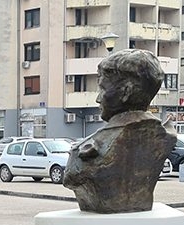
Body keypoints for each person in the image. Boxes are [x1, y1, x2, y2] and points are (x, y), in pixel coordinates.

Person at [63, 49, 176, 214]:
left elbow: (71, 177)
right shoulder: (165, 134)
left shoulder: (86, 152)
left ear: (126, 91)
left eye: (102, 89)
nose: (98, 99)